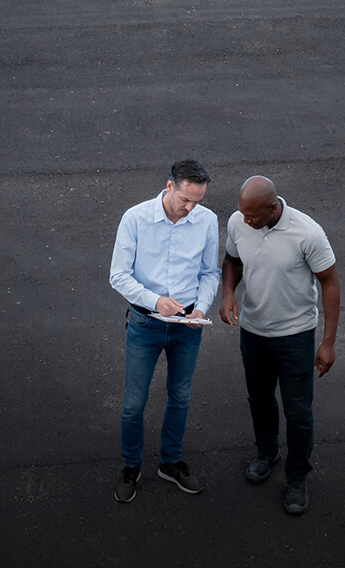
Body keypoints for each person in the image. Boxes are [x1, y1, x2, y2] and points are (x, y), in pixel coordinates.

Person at [218, 176, 341, 516]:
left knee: (298, 411)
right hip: (253, 332)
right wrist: (228, 291)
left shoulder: (308, 233)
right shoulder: (238, 220)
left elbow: (329, 283)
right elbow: (232, 260)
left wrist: (327, 343)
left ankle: (298, 477)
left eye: (253, 216)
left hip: (295, 336)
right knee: (258, 399)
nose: (245, 221)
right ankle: (267, 451)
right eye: (242, 214)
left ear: (273, 208)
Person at [108, 159, 220, 503]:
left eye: (197, 201)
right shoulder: (136, 218)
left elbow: (210, 273)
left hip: (189, 324)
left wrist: (200, 308)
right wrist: (156, 301)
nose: (190, 208)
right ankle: (131, 466)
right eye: (186, 199)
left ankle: (170, 463)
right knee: (133, 403)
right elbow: (119, 276)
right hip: (145, 323)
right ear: (169, 186)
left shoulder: (207, 220)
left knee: (181, 397)